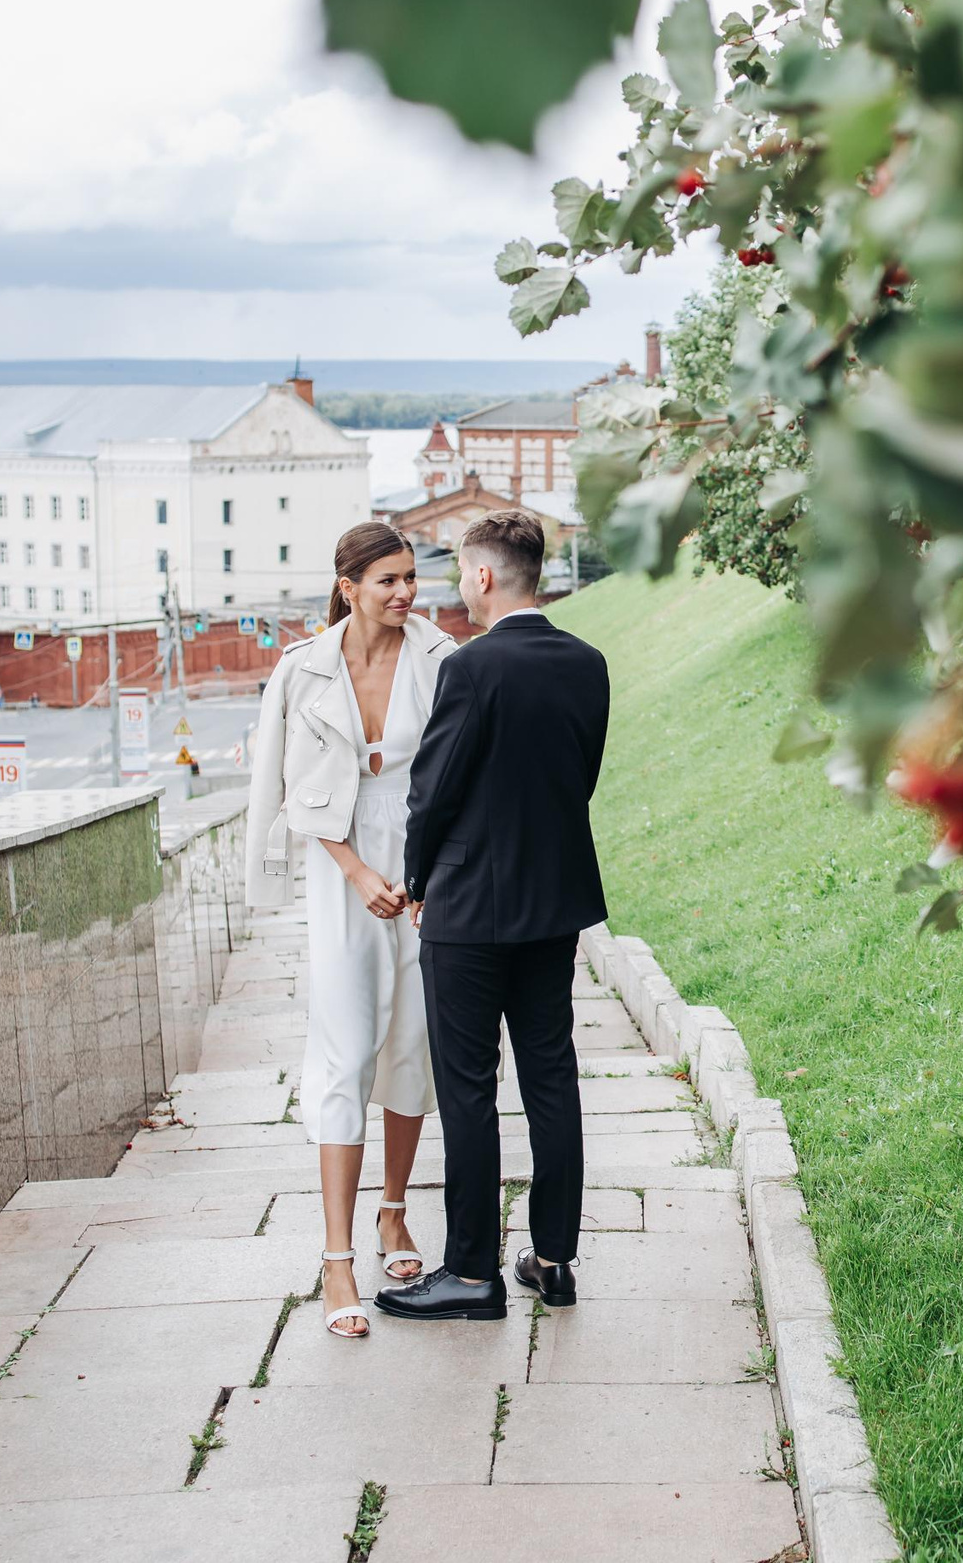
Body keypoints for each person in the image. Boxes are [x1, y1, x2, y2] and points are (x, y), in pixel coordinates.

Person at [377, 510, 609, 1323]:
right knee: (551, 1076)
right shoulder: (588, 663)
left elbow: (431, 791)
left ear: (482, 575)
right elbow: (578, 777)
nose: (456, 587)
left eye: (458, 573)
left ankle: (473, 1272)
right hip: (554, 903)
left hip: (468, 909)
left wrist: (416, 880)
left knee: (469, 1087)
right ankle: (553, 1260)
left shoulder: (470, 667)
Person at [245, 521, 456, 1339]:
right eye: (387, 580)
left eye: (410, 577)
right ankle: (337, 1259)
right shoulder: (301, 670)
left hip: (424, 865)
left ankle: (393, 1213)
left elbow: (456, 773)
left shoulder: (440, 658)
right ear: (348, 587)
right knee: (345, 1046)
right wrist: (358, 872)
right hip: (342, 870)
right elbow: (288, 785)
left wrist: (429, 877)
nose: (405, 592)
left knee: (414, 1040)